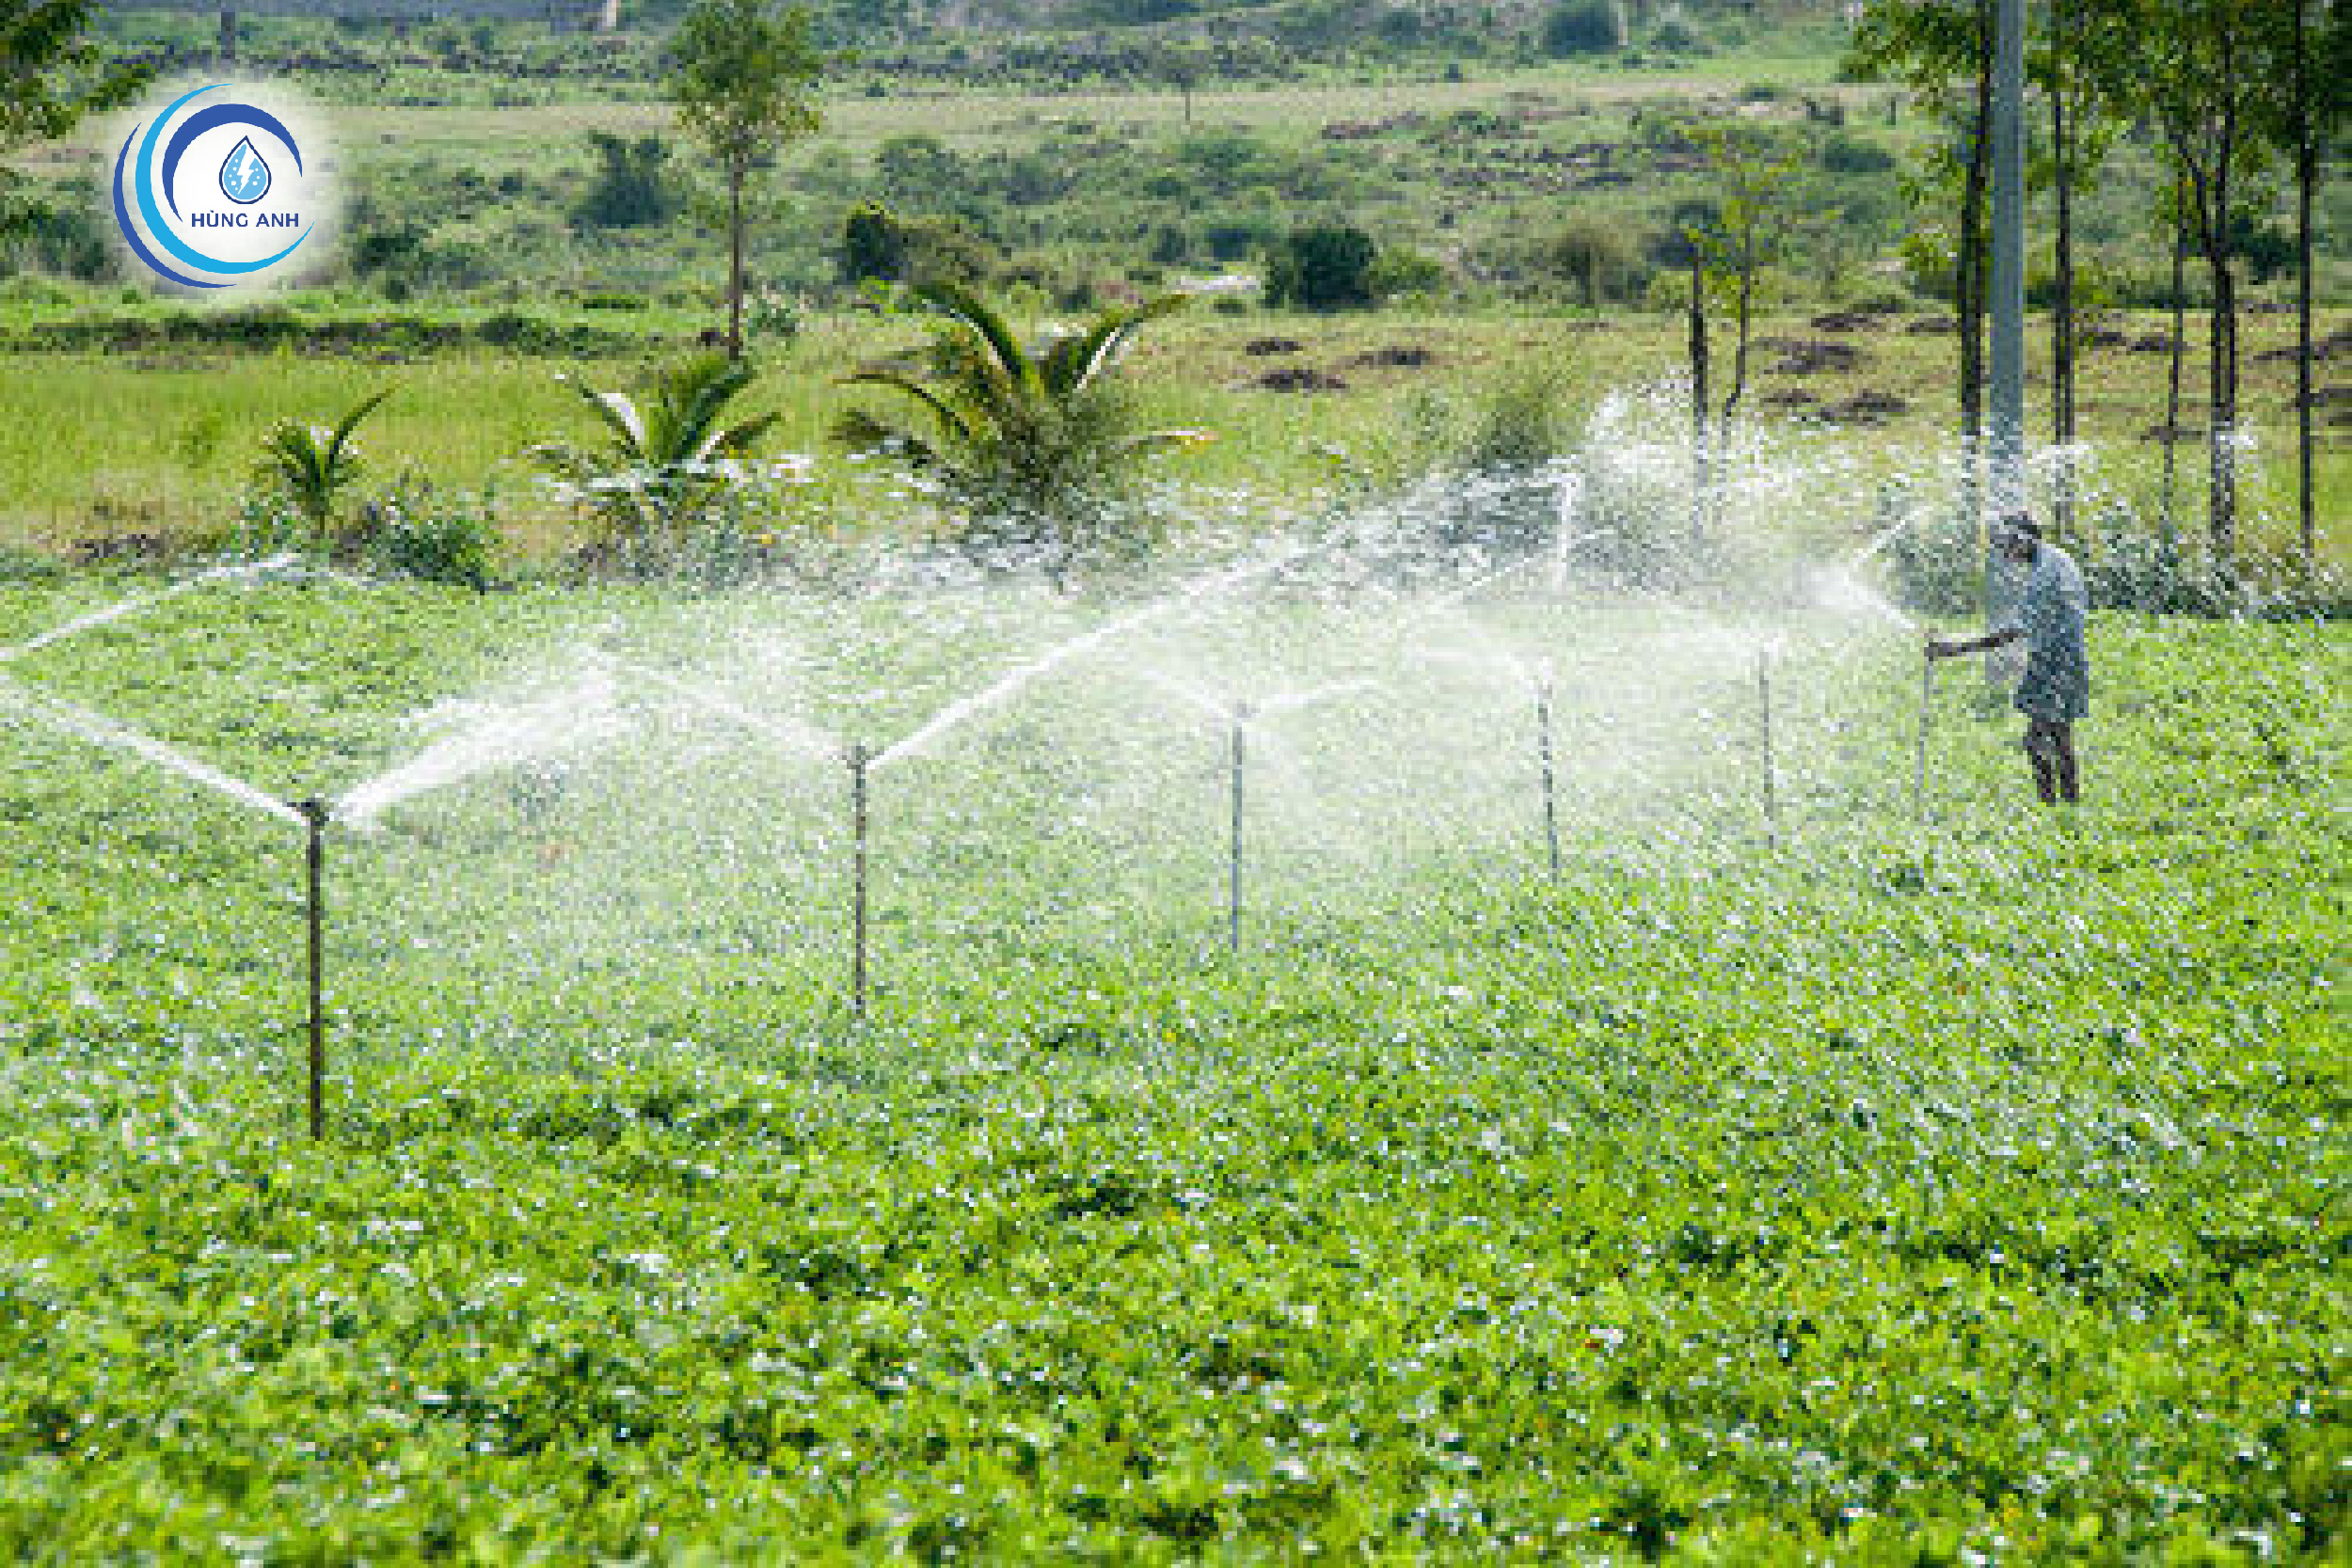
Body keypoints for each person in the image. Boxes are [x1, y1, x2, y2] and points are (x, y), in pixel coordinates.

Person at [1927, 515, 2090, 805]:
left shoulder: (2043, 576)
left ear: (2025, 539)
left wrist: (1955, 648)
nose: (2006, 553)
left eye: (2009, 545)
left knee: (2038, 741)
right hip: (2069, 657)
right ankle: (2068, 808)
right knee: (2059, 738)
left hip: (2056, 663)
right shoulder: (2056, 558)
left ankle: (2051, 807)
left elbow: (2011, 633)